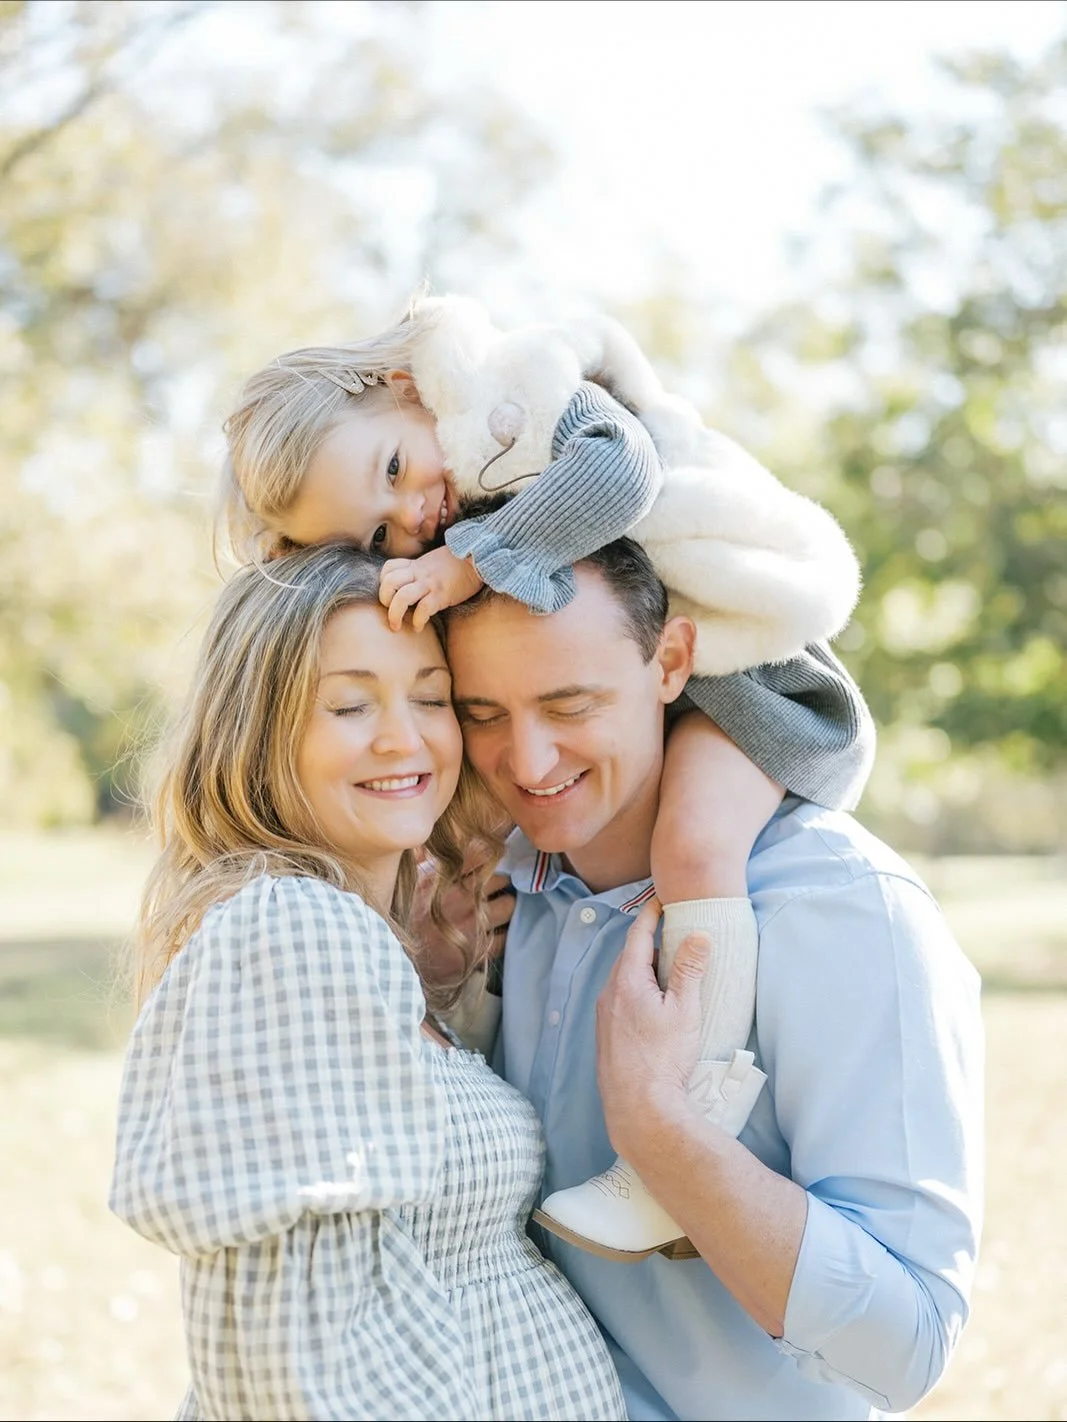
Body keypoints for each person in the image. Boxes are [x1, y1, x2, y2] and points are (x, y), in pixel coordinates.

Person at [214, 294, 877, 1255]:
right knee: (496, 852)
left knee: (695, 845)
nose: (414, 515)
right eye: (376, 535)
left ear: (402, 386)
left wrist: (466, 565)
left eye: (394, 469)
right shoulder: (445, 505)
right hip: (674, 674)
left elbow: (621, 471)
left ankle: (679, 1143)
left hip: (761, 685)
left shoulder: (510, 391)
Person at [438, 535, 985, 1421]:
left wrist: (665, 1135)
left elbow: (906, 1344)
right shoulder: (495, 898)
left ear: (672, 661)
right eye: (483, 714)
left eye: (569, 703)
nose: (528, 764)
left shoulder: (839, 909)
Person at [107, 542, 628, 1421]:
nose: (405, 736)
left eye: (431, 698)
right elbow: (294, 1368)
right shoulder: (298, 930)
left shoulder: (372, 949)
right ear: (260, 733)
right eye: (349, 704)